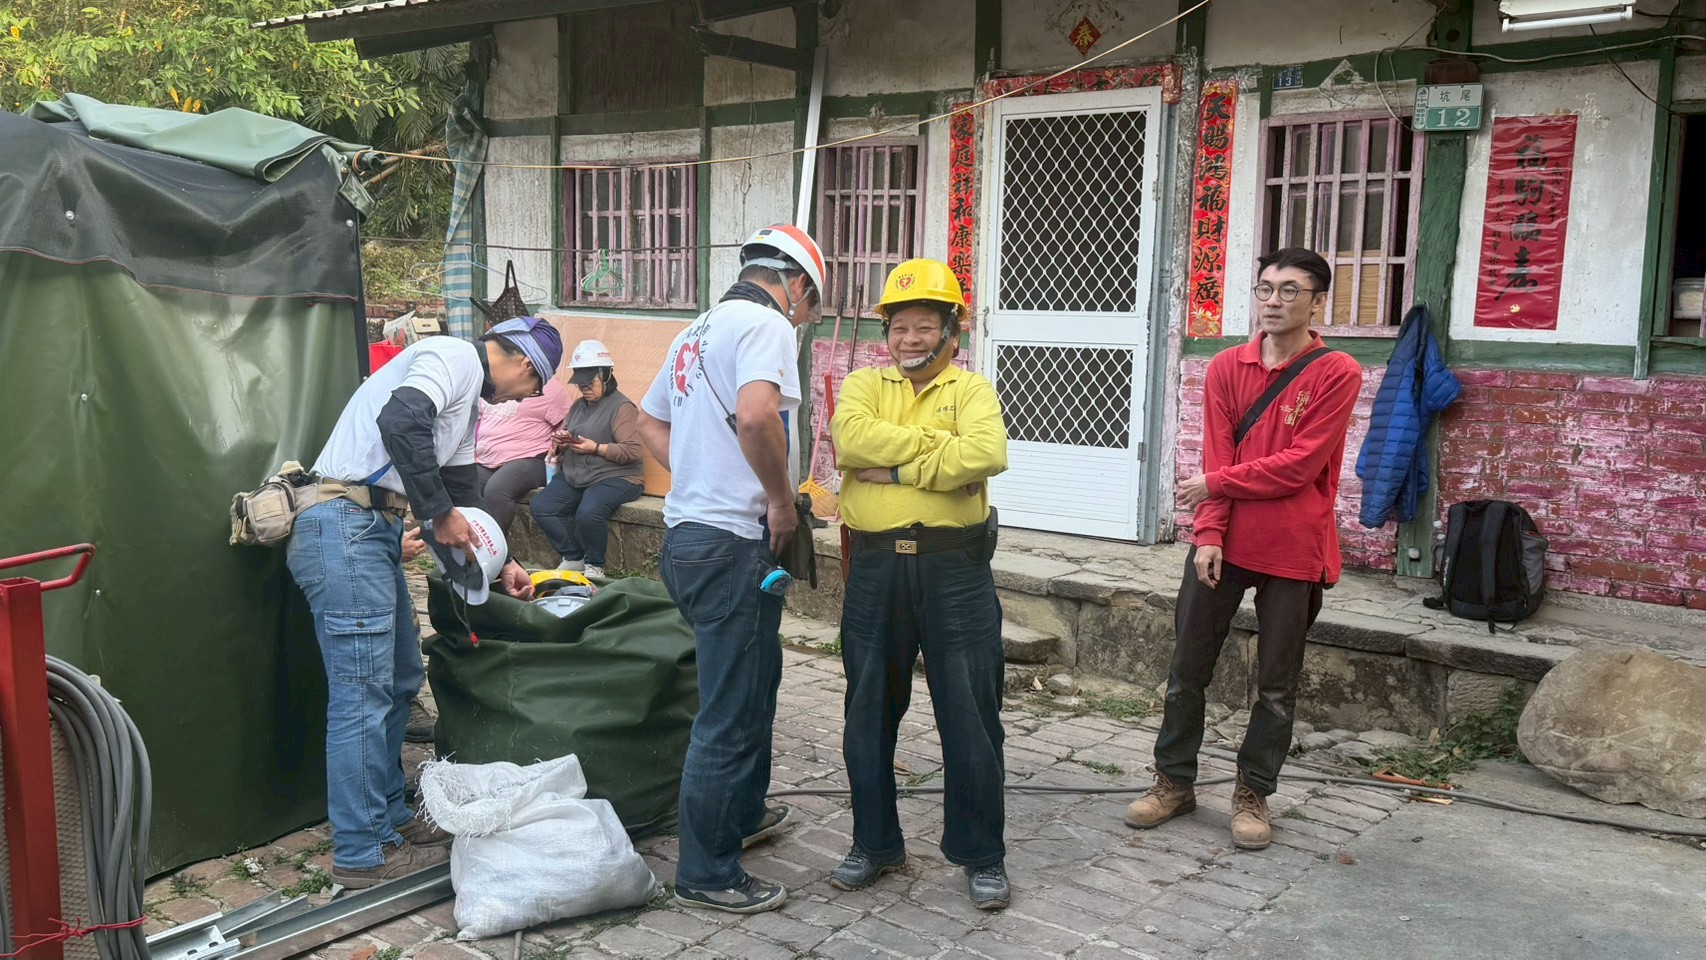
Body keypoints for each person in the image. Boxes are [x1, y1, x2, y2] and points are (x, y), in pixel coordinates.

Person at [289, 316, 559, 888]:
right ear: (519, 361)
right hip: (343, 521)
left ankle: (390, 816)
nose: (527, 396)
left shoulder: (467, 405)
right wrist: (438, 514)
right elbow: (400, 421)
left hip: (373, 528)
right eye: (535, 382)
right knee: (363, 692)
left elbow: (462, 494)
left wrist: (503, 561)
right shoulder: (453, 357)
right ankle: (361, 853)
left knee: (400, 679)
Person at [1125, 247, 1363, 850]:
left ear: (1317, 302)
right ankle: (1173, 783)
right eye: (1265, 289)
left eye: (1290, 290)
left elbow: (1300, 466)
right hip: (1224, 544)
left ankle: (1254, 792)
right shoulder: (1227, 366)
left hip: (1294, 546)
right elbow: (1217, 451)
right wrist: (1208, 533)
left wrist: (1215, 485)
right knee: (1186, 672)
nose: (1274, 301)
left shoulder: (1337, 372)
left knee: (1276, 684)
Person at [636, 224, 825, 915]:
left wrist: (699, 472)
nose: (803, 319)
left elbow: (646, 424)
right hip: (732, 546)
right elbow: (756, 418)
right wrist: (779, 500)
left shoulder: (697, 329)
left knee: (754, 681)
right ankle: (708, 872)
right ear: (796, 285)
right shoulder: (767, 325)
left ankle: (742, 814)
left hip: (687, 540)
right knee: (728, 710)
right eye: (809, 307)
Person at [829, 259, 1012, 909]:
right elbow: (850, 441)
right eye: (899, 326)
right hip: (877, 567)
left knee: (971, 713)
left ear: (951, 333)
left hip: (955, 568)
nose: (910, 338)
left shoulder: (973, 391)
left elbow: (986, 454)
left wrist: (900, 471)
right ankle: (875, 842)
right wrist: (939, 451)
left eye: (924, 326)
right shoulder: (862, 385)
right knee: (868, 711)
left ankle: (981, 854)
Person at [529, 339, 646, 578]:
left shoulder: (622, 407)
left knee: (589, 511)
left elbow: (633, 451)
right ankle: (574, 557)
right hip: (579, 474)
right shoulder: (578, 406)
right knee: (542, 507)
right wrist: (560, 443)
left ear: (606, 375)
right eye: (580, 385)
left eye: (589, 384)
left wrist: (596, 449)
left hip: (617, 477)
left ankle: (595, 566)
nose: (584, 389)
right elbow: (569, 433)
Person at [472, 373, 572, 535]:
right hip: (486, 459)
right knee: (466, 486)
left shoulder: (550, 387)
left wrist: (557, 448)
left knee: (497, 491)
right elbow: (477, 420)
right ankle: (468, 545)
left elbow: (567, 424)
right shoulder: (494, 381)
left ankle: (494, 547)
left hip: (530, 458)